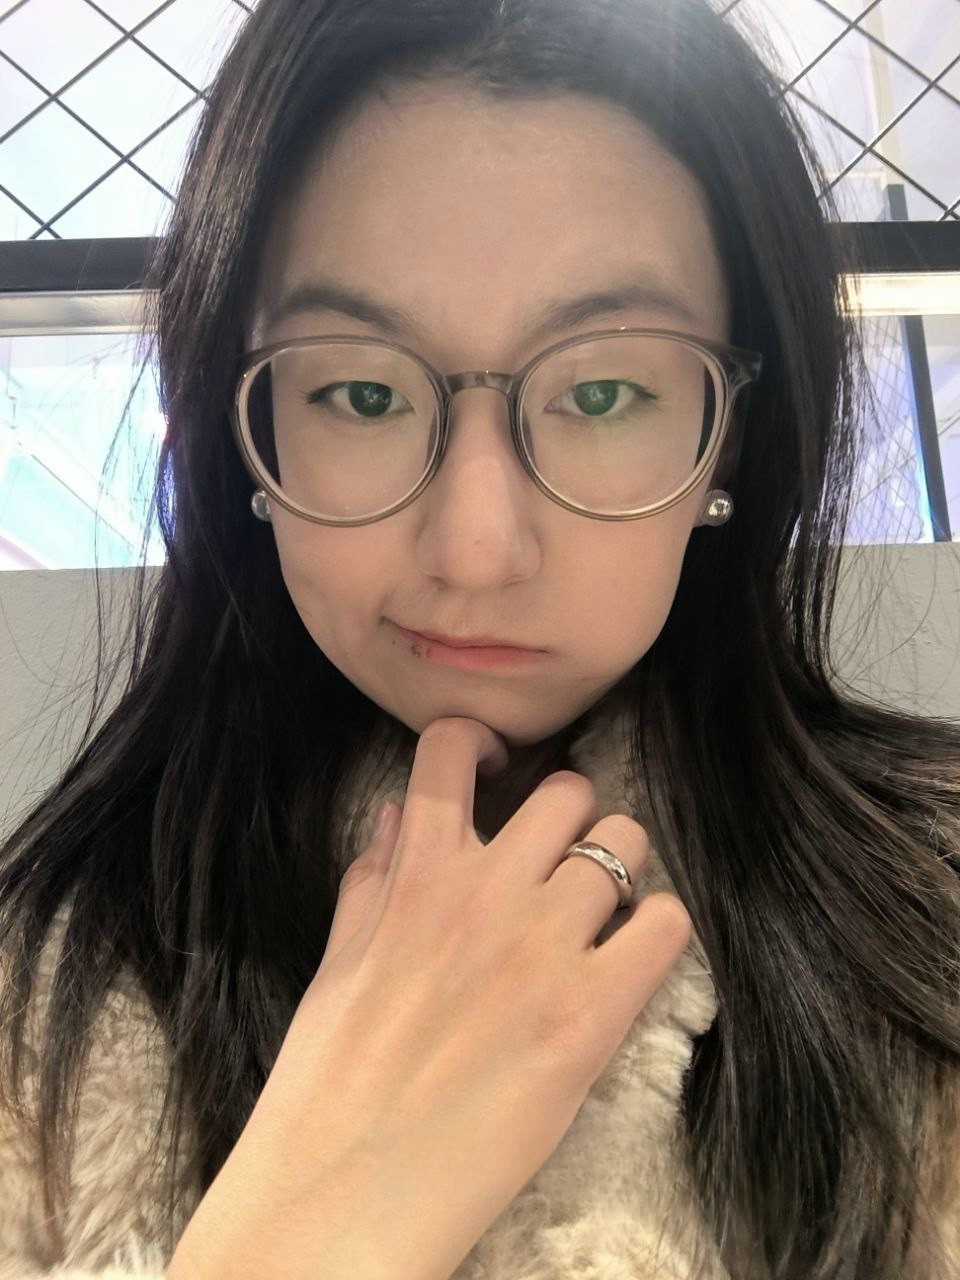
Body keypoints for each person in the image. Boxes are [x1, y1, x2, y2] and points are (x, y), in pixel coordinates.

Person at [2, 0, 960, 1276]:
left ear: (728, 439)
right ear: (252, 429)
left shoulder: (935, 914)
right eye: (362, 391)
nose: (474, 546)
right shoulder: (38, 999)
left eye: (603, 390)